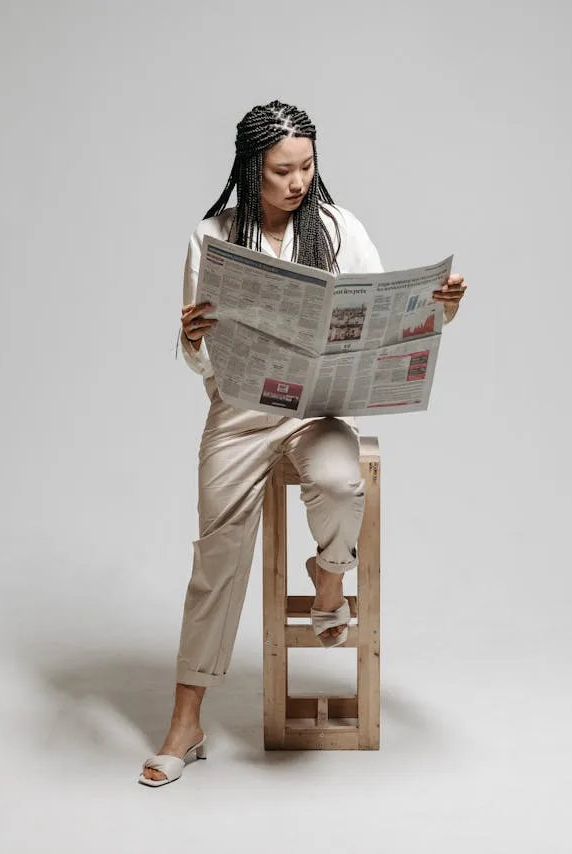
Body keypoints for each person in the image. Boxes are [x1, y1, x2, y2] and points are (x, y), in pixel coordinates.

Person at [139, 100, 469, 786]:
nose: (297, 181)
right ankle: (186, 721)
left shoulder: (340, 228)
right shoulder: (213, 237)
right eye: (282, 170)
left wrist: (438, 311)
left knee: (343, 482)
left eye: (307, 166)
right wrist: (196, 341)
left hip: (317, 411)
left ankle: (329, 574)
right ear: (251, 169)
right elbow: (205, 364)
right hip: (240, 414)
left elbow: (383, 320)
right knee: (216, 560)